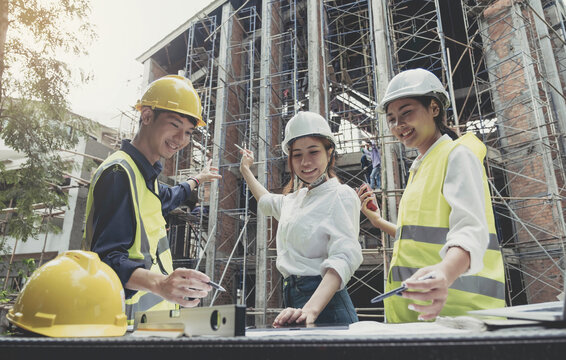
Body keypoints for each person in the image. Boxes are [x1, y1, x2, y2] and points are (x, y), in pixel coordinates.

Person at [358, 68, 505, 323]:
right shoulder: (422, 165)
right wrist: (379, 223)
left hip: (458, 317)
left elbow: (470, 229)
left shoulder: (457, 154)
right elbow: (423, 238)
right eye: (391, 119)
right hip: (421, 318)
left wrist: (445, 273)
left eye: (407, 113)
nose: (398, 125)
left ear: (434, 108)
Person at [82, 75, 222, 324]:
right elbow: (106, 260)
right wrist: (161, 284)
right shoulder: (119, 173)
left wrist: (198, 179)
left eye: (188, 132)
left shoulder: (145, 179)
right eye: (174, 125)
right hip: (121, 320)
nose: (181, 139)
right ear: (147, 116)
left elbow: (171, 196)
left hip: (151, 322)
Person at [239, 111, 362, 326]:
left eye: (313, 152)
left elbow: (344, 257)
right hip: (294, 301)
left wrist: (311, 310)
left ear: (329, 151)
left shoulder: (340, 195)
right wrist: (246, 169)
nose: (305, 162)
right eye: (297, 155)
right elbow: (265, 201)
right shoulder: (294, 200)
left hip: (325, 305)